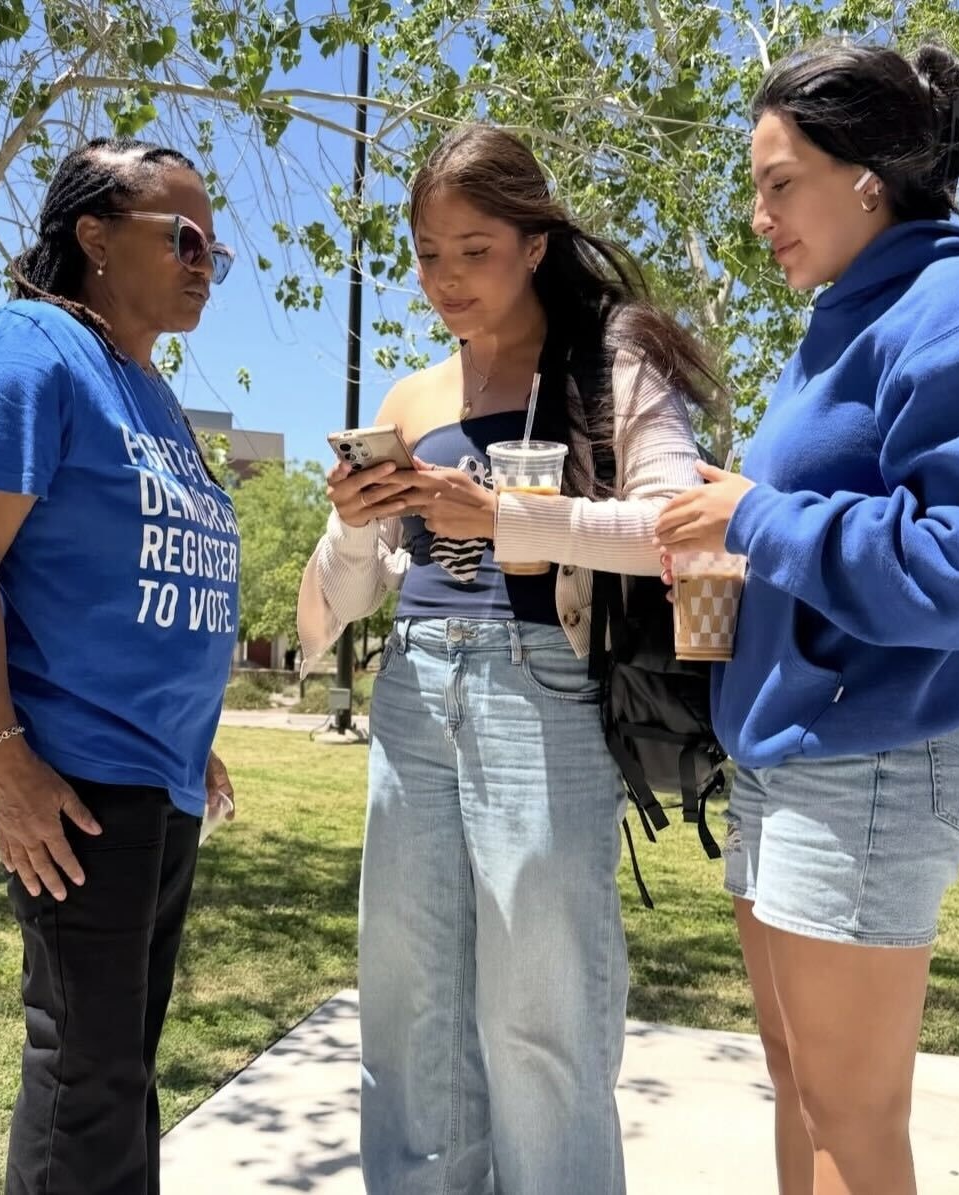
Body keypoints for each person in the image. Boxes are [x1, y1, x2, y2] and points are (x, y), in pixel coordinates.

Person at [654, 42, 959, 1195]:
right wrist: (743, 546)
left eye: (777, 182)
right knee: (801, 1087)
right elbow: (831, 525)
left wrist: (759, 520)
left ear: (866, 178)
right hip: (798, 753)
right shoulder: (849, 317)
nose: (757, 217)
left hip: (870, 762)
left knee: (851, 1118)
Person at [297, 124, 716, 1193]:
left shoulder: (611, 362)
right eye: (427, 253)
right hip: (412, 689)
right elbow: (320, 620)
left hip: (544, 689)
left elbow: (684, 528)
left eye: (472, 249)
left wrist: (509, 520)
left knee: (542, 1021)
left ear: (534, 243)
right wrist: (353, 524)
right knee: (408, 1018)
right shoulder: (411, 400)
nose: (445, 279)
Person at [0, 136, 241, 1195]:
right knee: (86, 1067)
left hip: (153, 769)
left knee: (120, 1061)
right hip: (67, 765)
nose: (204, 260)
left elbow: (141, 583)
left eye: (214, 250)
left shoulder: (143, 388)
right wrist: (5, 762)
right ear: (93, 237)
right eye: (183, 236)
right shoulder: (31, 345)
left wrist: (196, 740)